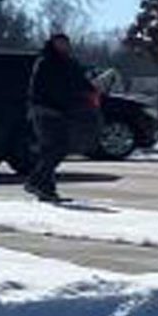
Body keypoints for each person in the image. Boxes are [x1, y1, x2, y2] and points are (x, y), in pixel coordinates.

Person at [25, 33, 96, 202]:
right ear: (52, 44)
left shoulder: (70, 63)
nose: (63, 46)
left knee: (51, 150)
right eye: (60, 42)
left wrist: (91, 89)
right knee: (56, 148)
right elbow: (41, 87)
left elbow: (81, 82)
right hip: (45, 110)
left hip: (63, 111)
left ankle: (46, 189)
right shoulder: (46, 62)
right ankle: (36, 181)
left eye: (66, 43)